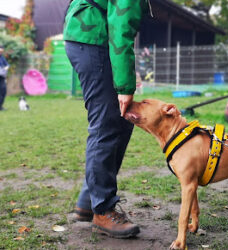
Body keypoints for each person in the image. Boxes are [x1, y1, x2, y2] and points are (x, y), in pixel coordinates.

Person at [63, 0, 150, 238]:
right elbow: (121, 24)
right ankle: (103, 210)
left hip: (88, 36)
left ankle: (89, 200)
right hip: (93, 39)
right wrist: (125, 85)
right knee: (108, 124)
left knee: (121, 121)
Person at [0, 46, 9, 111]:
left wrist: (6, 68)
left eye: (1, 51)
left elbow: (7, 65)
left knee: (3, 91)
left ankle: (0, 106)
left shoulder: (2, 57)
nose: (1, 52)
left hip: (2, 77)